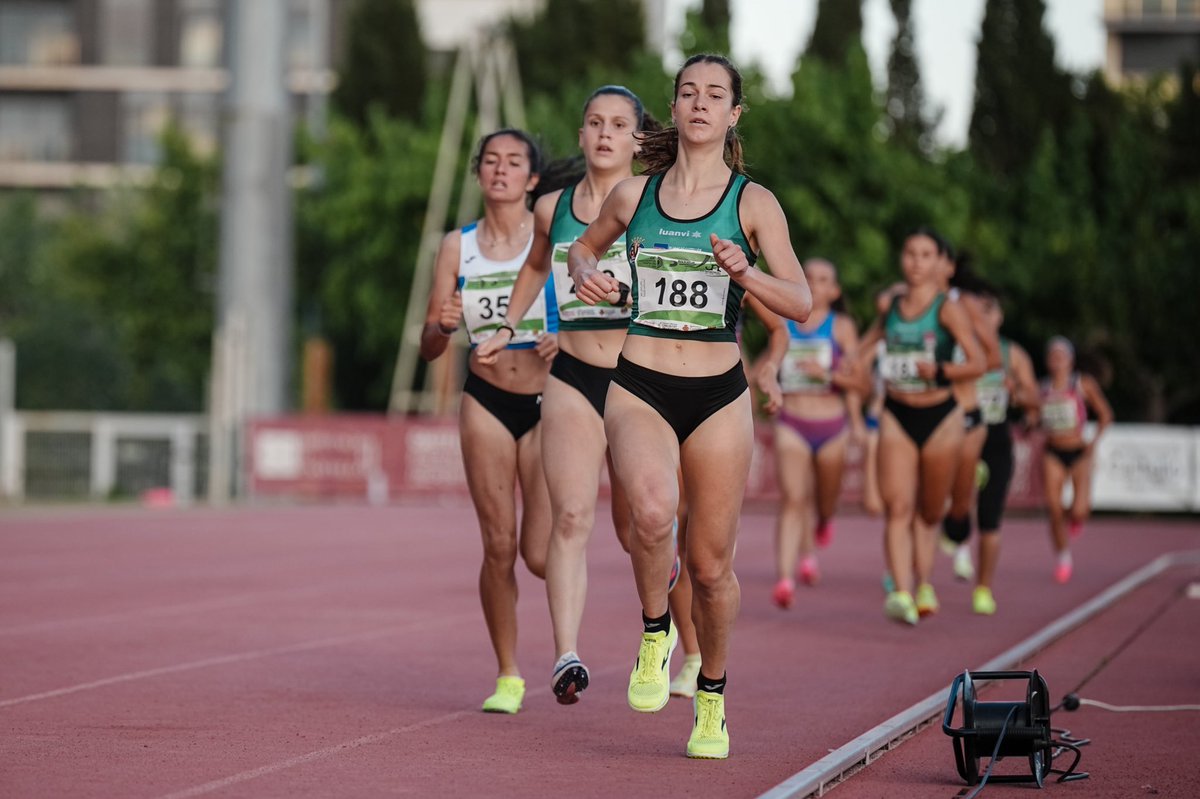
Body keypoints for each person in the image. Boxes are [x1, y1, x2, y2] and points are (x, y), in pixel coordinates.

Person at [566, 53, 812, 759]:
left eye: (715, 95)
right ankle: (655, 632)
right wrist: (587, 274)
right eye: (688, 93)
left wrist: (748, 273)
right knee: (649, 513)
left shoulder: (754, 203)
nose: (700, 103)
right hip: (640, 382)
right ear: (672, 109)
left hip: (718, 395)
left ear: (734, 114)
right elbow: (582, 251)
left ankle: (712, 696)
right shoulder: (632, 196)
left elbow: (801, 301)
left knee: (709, 568)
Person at [476, 86, 658, 706]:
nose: (605, 134)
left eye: (619, 125)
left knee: (638, 530)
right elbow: (535, 266)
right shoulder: (553, 208)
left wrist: (625, 295)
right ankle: (566, 655)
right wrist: (508, 326)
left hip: (638, 379)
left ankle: (673, 638)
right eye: (594, 123)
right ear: (581, 135)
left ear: (638, 140)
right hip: (573, 377)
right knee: (572, 517)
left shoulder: (656, 203)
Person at [418, 128, 557, 715]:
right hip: (486, 399)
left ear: (532, 179)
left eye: (514, 162)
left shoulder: (552, 233)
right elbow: (429, 345)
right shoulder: (457, 246)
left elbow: (589, 310)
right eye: (491, 161)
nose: (500, 170)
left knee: (540, 556)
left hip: (549, 401)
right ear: (478, 174)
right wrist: (443, 326)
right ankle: (508, 675)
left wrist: (562, 340)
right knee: (498, 545)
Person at [857, 228, 985, 625]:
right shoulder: (892, 307)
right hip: (897, 412)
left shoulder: (948, 308)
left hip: (941, 415)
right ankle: (901, 592)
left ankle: (925, 581)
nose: (916, 262)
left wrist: (941, 370)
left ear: (938, 263)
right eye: (910, 253)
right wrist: (851, 367)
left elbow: (979, 362)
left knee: (929, 511)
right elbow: (865, 346)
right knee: (898, 507)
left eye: (926, 255)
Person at [763, 258, 865, 608]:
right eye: (808, 276)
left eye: (823, 279)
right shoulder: (784, 322)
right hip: (792, 422)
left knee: (824, 500)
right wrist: (766, 377)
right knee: (792, 499)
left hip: (832, 426)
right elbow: (766, 365)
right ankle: (785, 578)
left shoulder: (842, 327)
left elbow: (860, 382)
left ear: (834, 291)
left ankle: (824, 520)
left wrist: (829, 376)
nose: (814, 283)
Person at [968, 289, 1039, 614]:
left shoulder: (1014, 355)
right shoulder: (958, 347)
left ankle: (983, 589)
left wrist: (1016, 391)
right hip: (961, 437)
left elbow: (1035, 399)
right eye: (976, 310)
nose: (981, 316)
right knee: (948, 509)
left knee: (990, 517)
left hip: (996, 439)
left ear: (999, 317)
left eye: (988, 310)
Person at [938, 251, 1003, 584]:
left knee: (960, 506)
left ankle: (957, 528)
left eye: (930, 256)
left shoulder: (965, 304)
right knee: (908, 499)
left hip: (963, 410)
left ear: (947, 266)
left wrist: (951, 371)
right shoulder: (902, 302)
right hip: (919, 411)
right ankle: (906, 581)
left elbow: (993, 357)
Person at [1038, 336, 1112, 583]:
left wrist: (1094, 441)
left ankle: (1076, 519)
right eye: (1052, 356)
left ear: (1070, 360)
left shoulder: (1082, 384)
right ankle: (1063, 558)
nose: (1056, 361)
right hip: (1053, 452)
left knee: (1079, 510)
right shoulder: (1043, 387)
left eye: (1061, 356)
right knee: (1054, 508)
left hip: (1079, 452)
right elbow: (1034, 413)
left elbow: (1105, 415)